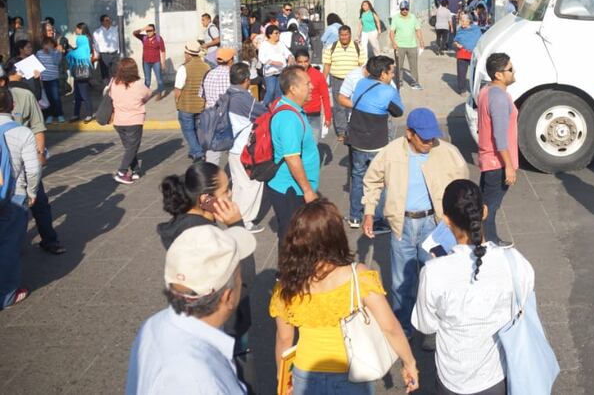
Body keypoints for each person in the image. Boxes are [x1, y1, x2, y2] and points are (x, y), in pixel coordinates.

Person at [270, 199, 419, 395]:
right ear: (336, 235)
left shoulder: (286, 286)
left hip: (304, 375)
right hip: (351, 375)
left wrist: (283, 377)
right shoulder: (359, 276)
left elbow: (284, 337)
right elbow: (390, 327)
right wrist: (409, 362)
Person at [413, 179, 537, 395]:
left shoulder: (434, 272)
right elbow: (522, 302)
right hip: (497, 374)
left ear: (446, 220)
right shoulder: (514, 261)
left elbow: (426, 326)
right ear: (485, 211)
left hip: (452, 379)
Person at [362, 108, 470, 336]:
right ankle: (404, 327)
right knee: (402, 282)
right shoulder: (390, 152)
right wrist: (369, 211)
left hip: (435, 225)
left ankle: (435, 328)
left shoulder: (449, 153)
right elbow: (372, 180)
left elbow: (463, 187)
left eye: (433, 136)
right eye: (424, 137)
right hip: (402, 226)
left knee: (437, 279)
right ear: (409, 133)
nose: (430, 142)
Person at [127, 224, 254, 395]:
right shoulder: (202, 382)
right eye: (240, 277)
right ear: (228, 297)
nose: (242, 282)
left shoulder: (153, 324)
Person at [0, 63, 64, 255]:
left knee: (39, 202)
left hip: (22, 163)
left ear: (3, 81)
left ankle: (49, 239)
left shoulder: (24, 97)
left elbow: (37, 126)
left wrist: (40, 154)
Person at [345, 55, 403, 228]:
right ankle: (378, 219)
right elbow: (398, 112)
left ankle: (355, 216)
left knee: (357, 177)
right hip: (376, 142)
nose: (392, 75)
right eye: (391, 72)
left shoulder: (361, 83)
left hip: (356, 140)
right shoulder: (388, 91)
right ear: (383, 74)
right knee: (379, 181)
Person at [266, 66, 322, 243]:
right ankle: (287, 270)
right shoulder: (289, 118)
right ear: (293, 89)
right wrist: (307, 190)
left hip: (293, 187)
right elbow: (292, 157)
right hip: (290, 189)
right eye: (307, 84)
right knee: (292, 238)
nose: (311, 87)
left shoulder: (291, 108)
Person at [0, 86, 40, 309]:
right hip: (14, 196)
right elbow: (33, 170)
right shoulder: (22, 132)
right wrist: (32, 192)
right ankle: (6, 295)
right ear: (12, 106)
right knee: (8, 246)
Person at [476, 52, 518, 247]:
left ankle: (481, 238)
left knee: (485, 203)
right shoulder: (499, 98)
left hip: (487, 159)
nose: (514, 71)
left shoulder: (486, 91)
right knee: (490, 206)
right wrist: (508, 166)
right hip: (497, 162)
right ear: (499, 75)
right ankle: (489, 241)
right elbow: (500, 137)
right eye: (510, 69)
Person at [225, 63, 267, 233]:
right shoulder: (243, 98)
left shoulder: (228, 94)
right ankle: (246, 222)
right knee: (252, 184)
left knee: (238, 185)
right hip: (245, 150)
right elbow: (262, 113)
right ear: (245, 80)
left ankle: (235, 218)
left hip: (233, 149)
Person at [109, 58, 153, 185]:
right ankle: (121, 172)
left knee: (129, 147)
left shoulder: (114, 82)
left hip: (118, 120)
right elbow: (148, 94)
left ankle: (136, 170)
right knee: (132, 148)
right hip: (134, 120)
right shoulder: (138, 84)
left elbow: (111, 96)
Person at [321, 26, 365, 142]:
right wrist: (322, 81)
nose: (344, 37)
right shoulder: (331, 47)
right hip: (337, 80)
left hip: (354, 81)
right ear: (339, 35)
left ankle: (354, 129)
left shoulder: (358, 47)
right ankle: (341, 132)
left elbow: (362, 66)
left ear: (350, 35)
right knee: (339, 107)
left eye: (346, 34)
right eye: (342, 35)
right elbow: (327, 65)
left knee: (355, 105)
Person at [200, 47, 237, 166]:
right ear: (231, 60)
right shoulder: (232, 75)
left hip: (211, 116)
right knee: (234, 152)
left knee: (212, 154)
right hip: (228, 116)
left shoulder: (207, 74)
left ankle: (212, 181)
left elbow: (202, 95)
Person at [174, 41, 210, 161]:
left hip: (187, 105)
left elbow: (178, 89)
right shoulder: (207, 67)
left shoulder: (184, 68)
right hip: (201, 104)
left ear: (188, 54)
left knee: (188, 129)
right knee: (197, 128)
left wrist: (177, 103)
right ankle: (194, 150)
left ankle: (197, 152)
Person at [294, 48, 331, 147]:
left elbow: (325, 96)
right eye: (300, 62)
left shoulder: (318, 75)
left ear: (309, 60)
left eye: (305, 61)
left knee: (313, 143)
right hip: (297, 114)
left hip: (314, 115)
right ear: (295, 61)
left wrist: (328, 116)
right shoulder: (292, 76)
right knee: (299, 143)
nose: (303, 64)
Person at [390, 0, 424, 90]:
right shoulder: (396, 18)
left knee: (414, 66)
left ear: (408, 9)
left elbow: (418, 30)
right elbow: (392, 32)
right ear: (400, 9)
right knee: (399, 65)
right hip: (399, 46)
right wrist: (393, 43)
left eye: (406, 9)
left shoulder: (413, 17)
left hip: (412, 45)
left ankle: (415, 82)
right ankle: (399, 82)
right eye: (403, 9)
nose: (405, 10)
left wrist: (421, 41)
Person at [66, 22, 96, 122]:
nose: (75, 30)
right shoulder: (88, 38)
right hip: (83, 68)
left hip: (80, 69)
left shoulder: (81, 38)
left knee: (83, 94)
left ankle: (89, 114)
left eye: (77, 29)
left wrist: (70, 52)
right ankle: (76, 114)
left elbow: (79, 53)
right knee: (78, 94)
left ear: (80, 29)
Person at [258, 25, 293, 107]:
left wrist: (290, 58)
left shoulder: (280, 44)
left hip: (281, 72)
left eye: (279, 33)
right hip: (270, 72)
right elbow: (261, 58)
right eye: (276, 33)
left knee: (279, 92)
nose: (278, 35)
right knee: (270, 91)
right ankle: (262, 108)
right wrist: (273, 62)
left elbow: (288, 53)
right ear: (270, 34)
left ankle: (277, 108)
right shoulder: (264, 45)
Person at [35, 37, 64, 123]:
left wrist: (51, 52)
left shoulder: (56, 52)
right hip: (44, 79)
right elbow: (37, 64)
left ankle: (60, 114)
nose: (47, 46)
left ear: (53, 44)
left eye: (49, 44)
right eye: (45, 44)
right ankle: (50, 115)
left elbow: (56, 62)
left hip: (53, 78)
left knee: (56, 97)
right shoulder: (39, 53)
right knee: (48, 98)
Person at [452, 13, 482, 94]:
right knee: (461, 73)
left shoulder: (476, 29)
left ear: (469, 21)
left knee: (475, 73)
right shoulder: (460, 29)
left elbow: (480, 40)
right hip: (462, 53)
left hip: (473, 54)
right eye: (461, 21)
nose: (461, 23)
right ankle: (462, 89)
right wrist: (457, 44)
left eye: (463, 21)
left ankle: (476, 90)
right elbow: (455, 40)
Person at [133, 24, 167, 94]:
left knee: (159, 79)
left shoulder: (158, 38)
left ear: (154, 31)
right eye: (147, 31)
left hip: (156, 62)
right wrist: (143, 28)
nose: (148, 32)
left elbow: (163, 51)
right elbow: (134, 33)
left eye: (150, 30)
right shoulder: (144, 38)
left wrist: (163, 63)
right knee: (147, 80)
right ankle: (146, 95)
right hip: (146, 62)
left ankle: (160, 93)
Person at [93, 14, 120, 85]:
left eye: (109, 20)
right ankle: (107, 87)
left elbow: (119, 40)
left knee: (115, 71)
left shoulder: (115, 29)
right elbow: (96, 45)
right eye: (107, 20)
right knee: (105, 73)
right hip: (104, 55)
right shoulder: (97, 32)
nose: (109, 21)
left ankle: (115, 87)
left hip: (114, 54)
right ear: (102, 22)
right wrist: (97, 55)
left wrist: (118, 52)